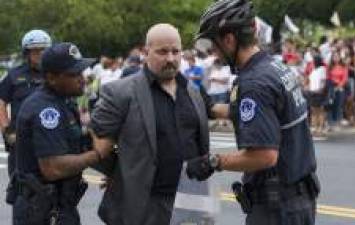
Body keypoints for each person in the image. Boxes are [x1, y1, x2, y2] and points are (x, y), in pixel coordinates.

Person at [186, 1, 320, 225]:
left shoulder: (254, 83)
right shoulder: (274, 67)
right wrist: (211, 109)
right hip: (297, 199)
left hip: (278, 209)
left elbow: (265, 156)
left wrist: (212, 162)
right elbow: (264, 114)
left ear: (229, 39)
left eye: (215, 44)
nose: (215, 52)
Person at [89, 23, 209, 225]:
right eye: (162, 52)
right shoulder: (120, 93)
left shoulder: (192, 91)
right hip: (144, 206)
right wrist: (122, 174)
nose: (170, 58)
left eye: (175, 51)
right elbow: (95, 147)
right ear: (146, 52)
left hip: (189, 202)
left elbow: (199, 144)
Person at [13, 42, 105, 225]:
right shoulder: (45, 109)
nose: (82, 78)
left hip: (60, 207)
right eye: (74, 74)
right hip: (42, 212)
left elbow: (75, 144)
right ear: (52, 78)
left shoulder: (63, 101)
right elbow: (53, 168)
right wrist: (97, 154)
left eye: (82, 71)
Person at [0, 29, 52, 204]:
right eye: (35, 51)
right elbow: (1, 102)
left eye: (44, 50)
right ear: (27, 53)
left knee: (53, 191)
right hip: (20, 142)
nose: (40, 55)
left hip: (50, 140)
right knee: (22, 192)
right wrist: (7, 129)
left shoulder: (55, 74)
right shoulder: (14, 75)